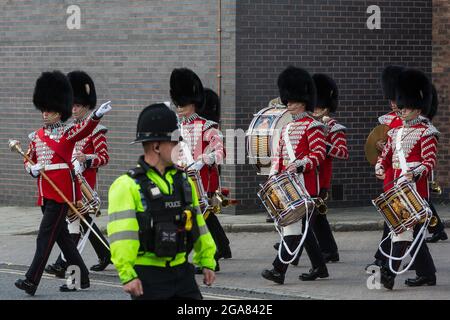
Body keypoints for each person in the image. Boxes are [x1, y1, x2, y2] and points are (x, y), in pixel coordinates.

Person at [15, 70, 112, 296]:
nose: (45, 114)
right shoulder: (36, 136)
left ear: (60, 112)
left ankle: (31, 280)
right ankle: (81, 279)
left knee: (44, 237)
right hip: (45, 192)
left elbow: (85, 128)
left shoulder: (68, 133)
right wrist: (32, 169)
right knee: (65, 241)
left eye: (50, 110)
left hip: (62, 193)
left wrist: (96, 115)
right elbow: (29, 160)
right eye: (44, 109)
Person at [107, 103, 216, 299]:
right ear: (156, 146)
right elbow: (122, 237)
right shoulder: (126, 185)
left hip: (183, 274)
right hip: (149, 278)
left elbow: (198, 224)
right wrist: (127, 275)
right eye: (174, 143)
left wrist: (207, 260)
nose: (179, 148)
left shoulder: (184, 181)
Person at [261, 66, 328, 285]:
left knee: (293, 227)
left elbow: (318, 155)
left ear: (304, 101)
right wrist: (272, 176)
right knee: (303, 230)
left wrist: (300, 165)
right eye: (287, 101)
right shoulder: (287, 128)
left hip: (305, 184)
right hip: (287, 185)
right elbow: (278, 157)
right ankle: (319, 267)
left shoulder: (314, 126)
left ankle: (278, 270)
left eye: (293, 101)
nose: (289, 104)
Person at [375, 68, 438, 289]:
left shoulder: (427, 132)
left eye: (405, 106)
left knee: (402, 230)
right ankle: (427, 274)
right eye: (400, 105)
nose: (401, 110)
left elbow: (429, 162)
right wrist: (379, 166)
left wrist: (415, 171)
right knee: (411, 232)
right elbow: (386, 155)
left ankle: (389, 273)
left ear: (418, 108)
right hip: (397, 187)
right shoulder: (395, 132)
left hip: (416, 188)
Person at [45, 71, 111, 278]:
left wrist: (87, 158)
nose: (72, 109)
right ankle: (105, 253)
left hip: (86, 184)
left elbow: (104, 157)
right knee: (81, 221)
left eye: (77, 106)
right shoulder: (68, 130)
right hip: (70, 182)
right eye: (71, 105)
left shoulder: (96, 130)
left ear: (86, 107)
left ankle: (63, 264)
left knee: (76, 221)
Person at [170, 68, 231, 272]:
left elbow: (222, 152)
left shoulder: (207, 126)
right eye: (177, 104)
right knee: (200, 220)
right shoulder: (175, 128)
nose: (179, 109)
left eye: (183, 105)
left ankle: (195, 257)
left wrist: (203, 160)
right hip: (183, 180)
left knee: (198, 220)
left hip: (202, 182)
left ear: (193, 103)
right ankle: (213, 254)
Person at [366, 65, 405, 270]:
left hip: (406, 177)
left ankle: (384, 260)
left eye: (396, 100)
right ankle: (419, 265)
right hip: (392, 176)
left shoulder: (413, 123)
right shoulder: (389, 121)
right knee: (394, 219)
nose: (392, 104)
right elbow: (385, 148)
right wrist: (381, 149)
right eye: (391, 100)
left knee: (396, 221)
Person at [311, 73, 348, 263]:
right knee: (316, 216)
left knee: (315, 216)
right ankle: (328, 250)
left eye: (317, 107)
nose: (314, 110)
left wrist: (324, 146)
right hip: (308, 176)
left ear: (326, 108)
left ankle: (299, 244)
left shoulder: (334, 128)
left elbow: (342, 152)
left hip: (322, 178)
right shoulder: (309, 126)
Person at [421, 85, 448, 243]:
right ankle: (438, 230)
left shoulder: (426, 126)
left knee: (423, 200)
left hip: (421, 168)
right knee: (424, 201)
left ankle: (437, 230)